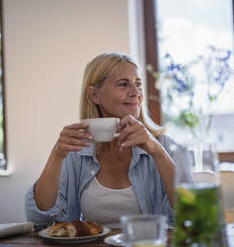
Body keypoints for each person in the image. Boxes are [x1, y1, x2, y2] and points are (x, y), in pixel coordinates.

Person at [25, 52, 192, 228]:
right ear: (94, 95)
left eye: (138, 85)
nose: (136, 93)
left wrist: (156, 151)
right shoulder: (75, 149)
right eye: (123, 84)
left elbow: (191, 214)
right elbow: (39, 218)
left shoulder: (164, 146)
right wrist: (56, 155)